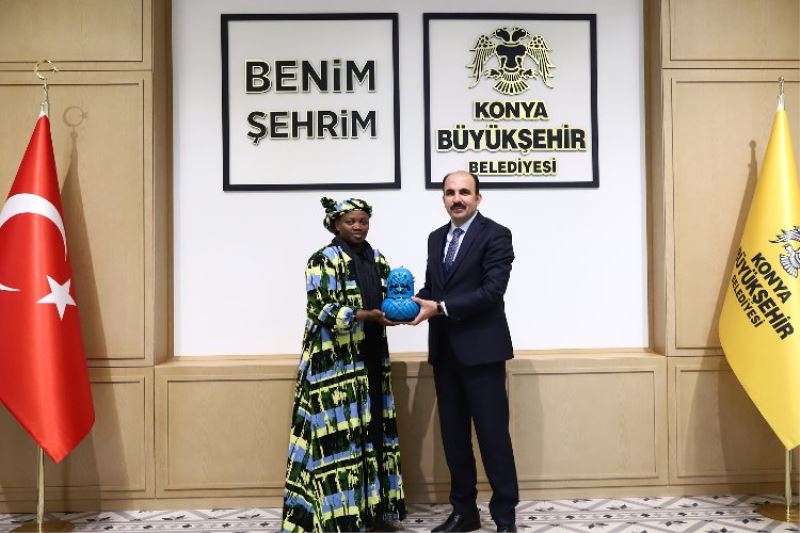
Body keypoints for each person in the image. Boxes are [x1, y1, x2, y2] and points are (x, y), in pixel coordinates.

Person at [282, 197, 406, 533]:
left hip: (370, 357)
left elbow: (390, 299)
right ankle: (336, 518)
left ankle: (371, 512)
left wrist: (400, 310)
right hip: (332, 365)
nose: (358, 226)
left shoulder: (378, 259)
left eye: (363, 221)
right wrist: (365, 315)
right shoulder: (321, 260)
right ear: (336, 224)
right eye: (351, 221)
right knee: (338, 439)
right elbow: (322, 308)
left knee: (372, 433)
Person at [412, 171, 519, 533]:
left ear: (478, 197)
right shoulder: (435, 237)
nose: (456, 199)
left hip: (483, 354)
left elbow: (492, 291)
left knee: (493, 438)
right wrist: (406, 306)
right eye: (450, 193)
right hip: (445, 355)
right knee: (454, 439)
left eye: (464, 192)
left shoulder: (496, 235)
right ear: (443, 198)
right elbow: (433, 287)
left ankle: (505, 518)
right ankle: (464, 512)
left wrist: (440, 307)